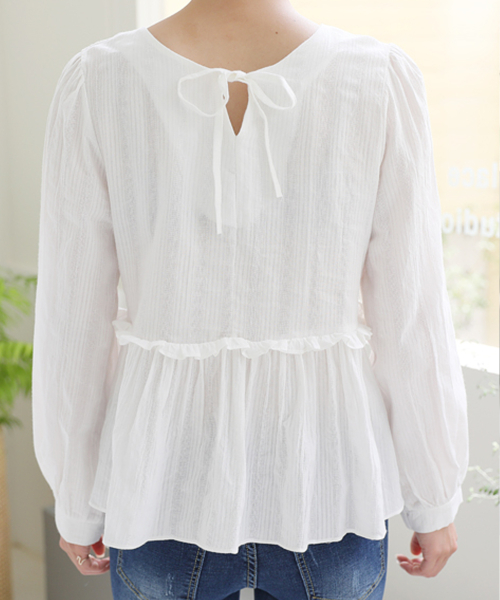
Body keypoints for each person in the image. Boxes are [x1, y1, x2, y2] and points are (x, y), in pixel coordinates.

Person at [33, 0, 468, 597]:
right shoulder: (376, 78)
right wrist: (433, 496)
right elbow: (410, 314)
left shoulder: (99, 80)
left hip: (163, 476)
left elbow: (73, 320)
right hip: (327, 477)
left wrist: (77, 500)